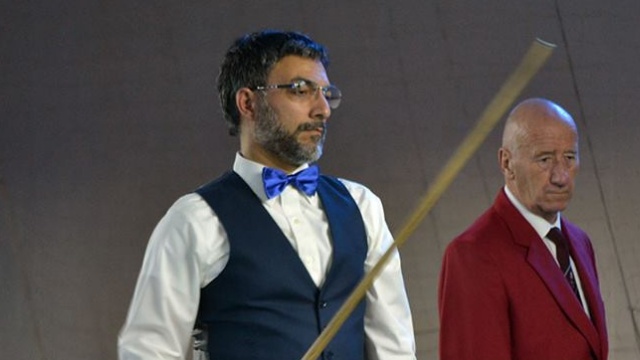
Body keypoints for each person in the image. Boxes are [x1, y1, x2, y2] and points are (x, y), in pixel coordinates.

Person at [117, 29, 416, 360]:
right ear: (248, 102)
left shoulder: (362, 206)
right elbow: (147, 352)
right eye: (301, 90)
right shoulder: (195, 220)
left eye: (326, 93)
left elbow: (394, 349)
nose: (323, 110)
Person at [438, 98, 608, 360]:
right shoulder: (472, 255)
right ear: (507, 163)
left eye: (570, 157)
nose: (561, 176)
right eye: (544, 159)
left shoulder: (579, 242)